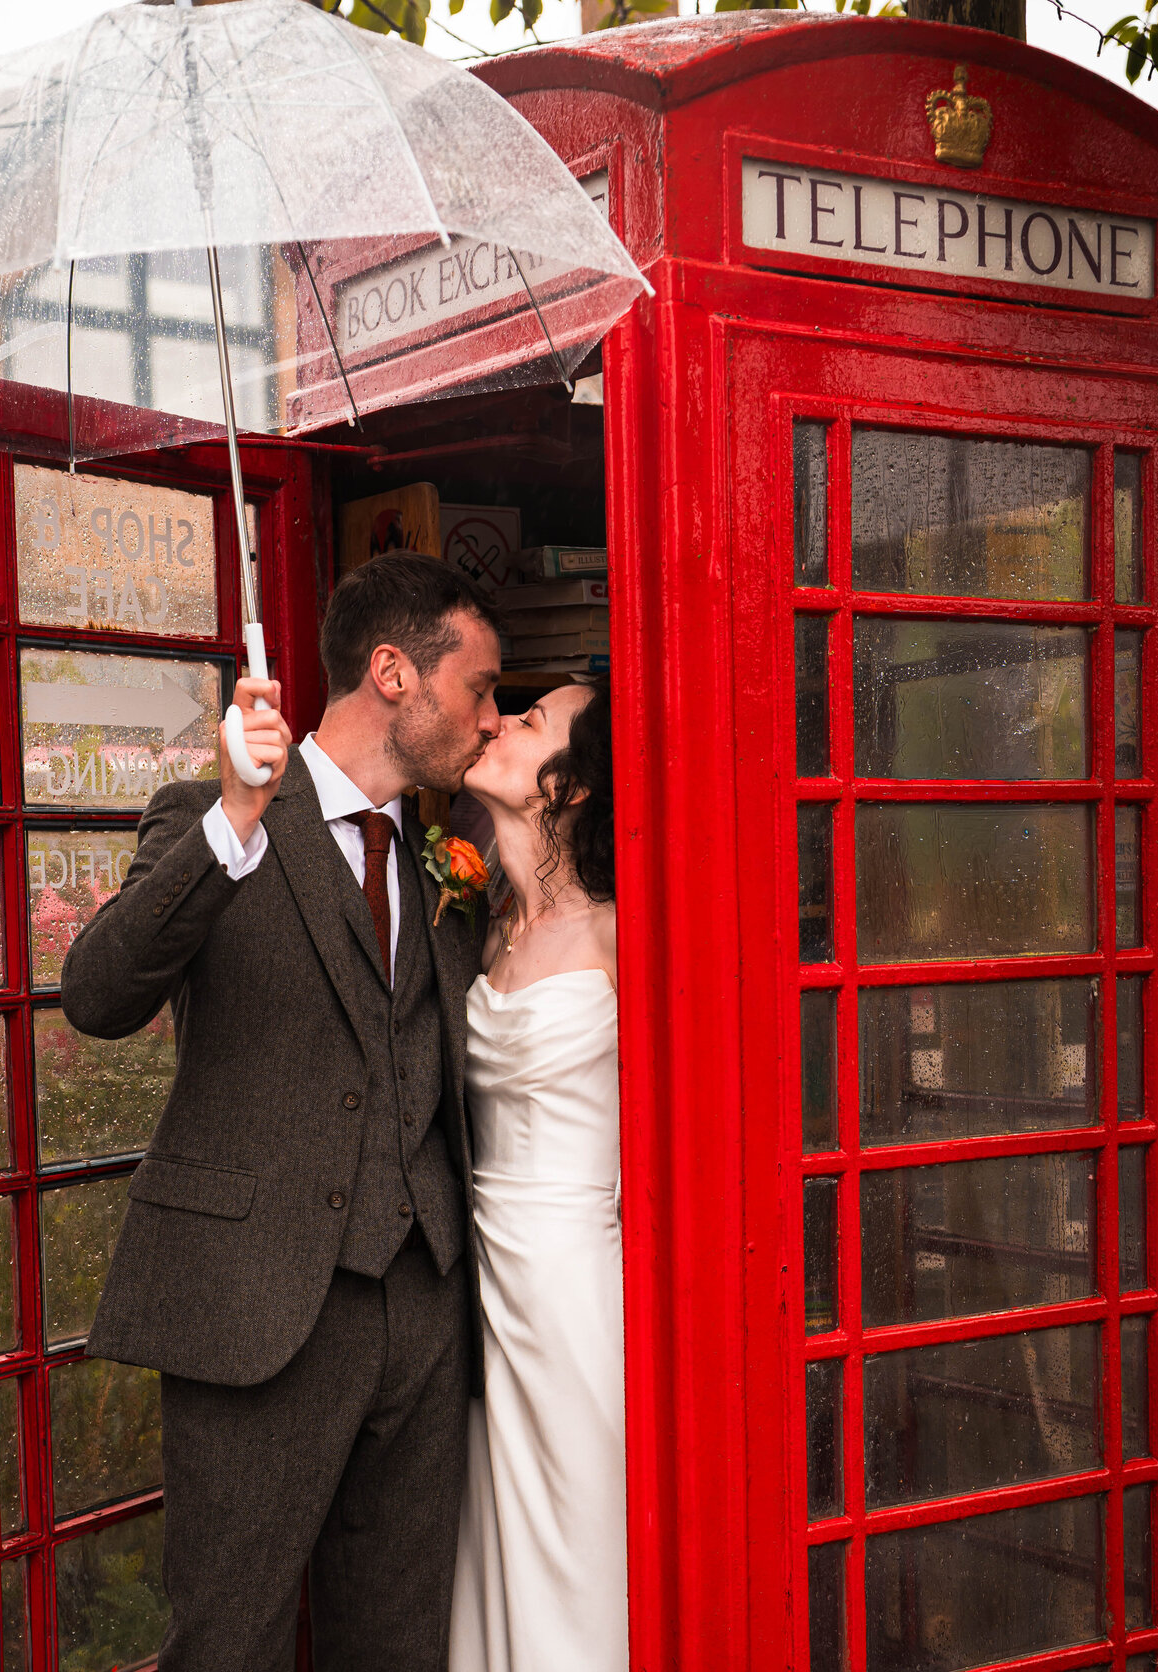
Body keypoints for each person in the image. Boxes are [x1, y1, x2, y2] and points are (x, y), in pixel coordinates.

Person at [60, 554, 502, 1672]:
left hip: (425, 1305)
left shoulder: (448, 860)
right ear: (395, 674)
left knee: (398, 1643)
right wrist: (236, 820)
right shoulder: (210, 818)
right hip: (256, 1307)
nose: (490, 718)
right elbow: (100, 995)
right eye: (481, 687)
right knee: (231, 1643)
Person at [448, 675, 626, 1672]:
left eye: (532, 721)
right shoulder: (474, 925)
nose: (503, 723)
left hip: (572, 1291)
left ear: (573, 786)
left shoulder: (617, 931)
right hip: (476, 1284)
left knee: (580, 1544)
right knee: (491, 1547)